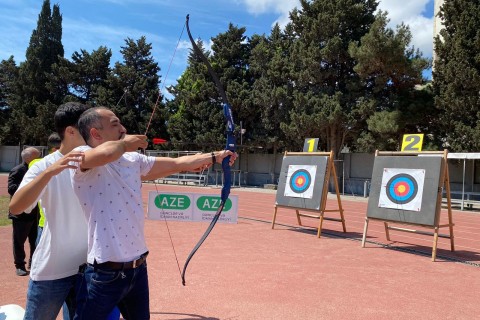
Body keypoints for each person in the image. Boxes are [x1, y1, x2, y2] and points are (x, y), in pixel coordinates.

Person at [71, 107, 237, 319]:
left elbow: (178, 163)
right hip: (104, 273)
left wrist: (217, 156)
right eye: (115, 124)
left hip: (138, 269)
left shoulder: (132, 160)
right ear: (95, 134)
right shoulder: (80, 156)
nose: (123, 128)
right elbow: (105, 153)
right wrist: (125, 144)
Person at [9, 102, 88, 320]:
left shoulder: (99, 161)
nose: (94, 132)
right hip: (53, 270)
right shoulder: (43, 166)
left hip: (89, 268)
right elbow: (16, 206)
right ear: (71, 132)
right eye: (87, 127)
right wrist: (50, 172)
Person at [8, 147, 41, 276]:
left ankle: (33, 262)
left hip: (34, 212)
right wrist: (28, 183)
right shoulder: (18, 170)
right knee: (19, 240)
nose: (40, 158)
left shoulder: (38, 170)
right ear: (29, 158)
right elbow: (11, 189)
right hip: (20, 213)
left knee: (35, 240)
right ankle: (20, 265)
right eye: (37, 156)